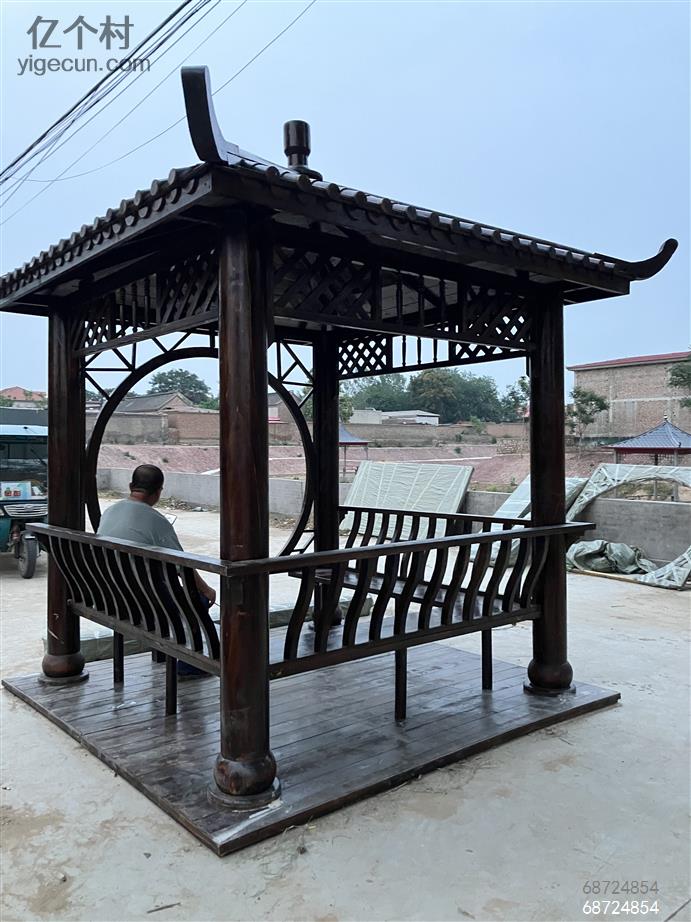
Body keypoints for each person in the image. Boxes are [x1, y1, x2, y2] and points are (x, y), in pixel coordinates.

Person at [97, 464, 215, 677]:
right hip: (146, 605)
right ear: (159, 491)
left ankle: (164, 653)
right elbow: (182, 566)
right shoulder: (156, 520)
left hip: (112, 598)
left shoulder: (109, 512)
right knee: (197, 600)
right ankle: (190, 664)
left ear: (131, 486)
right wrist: (207, 590)